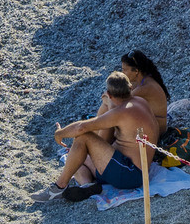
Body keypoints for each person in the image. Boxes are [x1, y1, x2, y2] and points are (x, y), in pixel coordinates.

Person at [42, 70, 161, 201]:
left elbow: (82, 128)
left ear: (109, 94)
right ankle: (87, 185)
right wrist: (109, 105)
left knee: (83, 138)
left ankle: (58, 187)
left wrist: (60, 133)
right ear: (130, 87)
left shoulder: (121, 112)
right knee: (74, 159)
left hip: (129, 173)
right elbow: (105, 138)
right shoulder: (140, 101)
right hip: (131, 168)